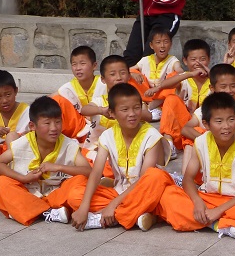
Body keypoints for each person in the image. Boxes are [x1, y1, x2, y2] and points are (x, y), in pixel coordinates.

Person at [52, 83, 172, 232]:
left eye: (136, 108)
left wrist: (112, 205)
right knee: (76, 195)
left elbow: (143, 180)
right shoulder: (107, 136)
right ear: (112, 113)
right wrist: (83, 207)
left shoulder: (151, 135)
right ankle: (139, 214)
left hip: (146, 192)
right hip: (119, 192)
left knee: (156, 177)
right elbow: (96, 173)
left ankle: (107, 218)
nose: (132, 114)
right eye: (125, 110)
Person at [157, 92, 235, 238]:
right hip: (207, 198)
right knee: (168, 196)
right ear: (206, 124)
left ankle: (210, 221)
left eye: (231, 120)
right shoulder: (201, 142)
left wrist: (219, 210)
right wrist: (197, 202)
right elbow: (188, 178)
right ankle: (222, 225)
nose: (226, 126)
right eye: (219, 121)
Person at [0, 96, 91, 226]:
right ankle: (47, 212)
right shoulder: (23, 143)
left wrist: (59, 167)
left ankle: (33, 210)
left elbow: (88, 171)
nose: (54, 128)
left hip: (56, 193)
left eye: (58, 122)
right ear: (32, 126)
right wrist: (23, 178)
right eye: (47, 123)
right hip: (29, 192)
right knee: (1, 183)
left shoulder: (68, 144)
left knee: (80, 180)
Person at [51, 46, 104, 141]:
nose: (78, 68)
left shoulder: (104, 83)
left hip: (103, 127)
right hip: (80, 128)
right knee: (57, 101)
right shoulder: (69, 87)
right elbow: (48, 99)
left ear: (94, 66)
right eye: (74, 64)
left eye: (82, 63)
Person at [130, 27, 183, 121]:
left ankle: (153, 107)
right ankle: (143, 105)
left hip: (162, 97)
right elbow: (127, 70)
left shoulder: (172, 60)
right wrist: (132, 74)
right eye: (158, 42)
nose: (162, 46)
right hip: (146, 94)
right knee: (131, 74)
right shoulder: (146, 60)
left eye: (166, 42)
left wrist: (178, 74)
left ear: (171, 44)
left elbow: (180, 71)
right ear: (151, 45)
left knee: (176, 78)